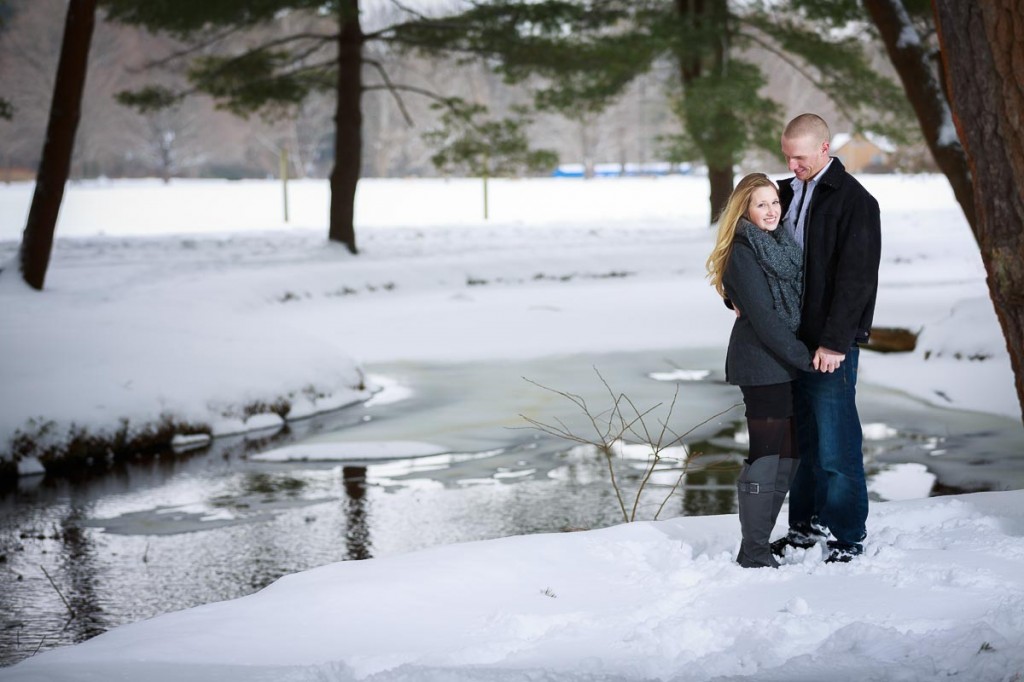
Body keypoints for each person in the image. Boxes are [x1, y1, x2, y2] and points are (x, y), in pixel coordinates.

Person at [770, 113, 882, 564]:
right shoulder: (777, 193)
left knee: (837, 445)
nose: (792, 164)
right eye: (787, 155)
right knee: (801, 443)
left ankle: (847, 534)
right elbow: (746, 252)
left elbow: (856, 280)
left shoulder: (856, 201)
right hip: (785, 342)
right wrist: (734, 298)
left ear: (824, 148)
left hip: (828, 345)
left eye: (800, 156)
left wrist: (836, 343)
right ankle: (805, 526)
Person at [707, 172, 813, 568]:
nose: (771, 211)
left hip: (783, 363)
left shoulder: (779, 244)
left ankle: (757, 545)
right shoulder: (742, 250)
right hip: (760, 364)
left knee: (789, 453)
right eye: (761, 204)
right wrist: (806, 359)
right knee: (766, 453)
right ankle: (753, 550)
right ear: (744, 211)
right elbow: (765, 318)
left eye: (775, 202)